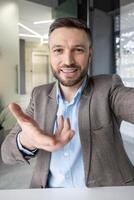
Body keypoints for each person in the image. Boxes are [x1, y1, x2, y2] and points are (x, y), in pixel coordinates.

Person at [1, 17, 134, 188]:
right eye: (58, 50)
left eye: (78, 50)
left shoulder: (108, 88)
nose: (68, 61)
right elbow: (6, 154)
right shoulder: (39, 95)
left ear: (90, 54)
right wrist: (29, 140)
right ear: (50, 54)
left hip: (105, 193)